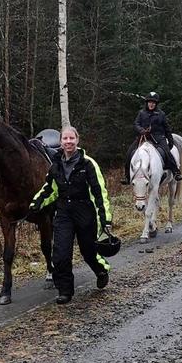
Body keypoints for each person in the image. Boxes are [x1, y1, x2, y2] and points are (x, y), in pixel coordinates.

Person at [29, 126, 113, 305]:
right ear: (61, 142)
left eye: (71, 139)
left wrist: (105, 219)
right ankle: (65, 291)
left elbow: (99, 192)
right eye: (65, 139)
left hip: (84, 211)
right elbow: (50, 189)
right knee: (60, 254)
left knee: (88, 251)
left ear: (77, 140)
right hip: (64, 212)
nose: (68, 142)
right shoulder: (56, 165)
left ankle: (101, 271)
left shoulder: (88, 163)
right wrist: (35, 204)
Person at [122, 92, 182, 184]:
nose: (151, 104)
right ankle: (127, 176)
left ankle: (176, 172)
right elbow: (136, 124)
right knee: (129, 153)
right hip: (143, 136)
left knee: (167, 153)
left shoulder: (161, 114)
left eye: (153, 103)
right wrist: (141, 130)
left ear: (156, 104)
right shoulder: (141, 113)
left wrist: (170, 141)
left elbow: (167, 128)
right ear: (147, 103)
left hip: (158, 138)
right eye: (150, 102)